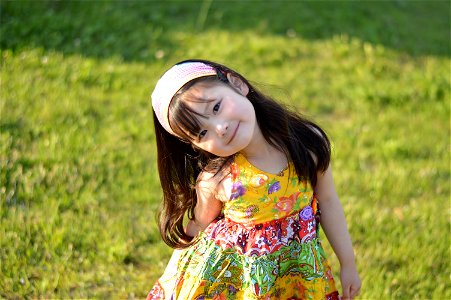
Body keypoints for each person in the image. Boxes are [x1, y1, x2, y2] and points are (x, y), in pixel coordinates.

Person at [147, 59, 361, 300]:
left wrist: (348, 263)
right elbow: (199, 226)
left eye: (216, 108)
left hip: (300, 275)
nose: (220, 128)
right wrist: (173, 280)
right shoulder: (218, 180)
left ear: (237, 84)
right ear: (195, 145)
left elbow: (328, 201)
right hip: (242, 285)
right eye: (202, 132)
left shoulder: (307, 144)